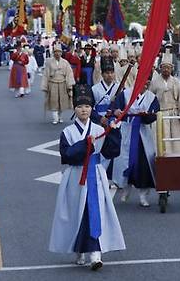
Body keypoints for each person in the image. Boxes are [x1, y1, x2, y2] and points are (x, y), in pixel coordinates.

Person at [48, 84, 125, 270]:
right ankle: (79, 251)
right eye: (80, 107)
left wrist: (114, 132)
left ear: (91, 109)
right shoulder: (67, 132)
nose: (84, 110)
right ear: (75, 109)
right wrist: (85, 144)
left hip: (95, 175)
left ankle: (95, 255)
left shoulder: (99, 130)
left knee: (94, 212)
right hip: (75, 177)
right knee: (77, 212)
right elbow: (67, 156)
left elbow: (110, 152)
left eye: (87, 107)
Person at [114, 79, 160, 206]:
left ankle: (143, 196)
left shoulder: (152, 97)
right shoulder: (125, 94)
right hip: (127, 131)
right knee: (125, 161)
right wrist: (117, 111)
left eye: (147, 82)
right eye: (142, 81)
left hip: (143, 134)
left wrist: (146, 116)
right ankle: (125, 188)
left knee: (144, 164)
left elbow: (154, 114)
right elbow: (116, 108)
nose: (144, 84)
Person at [148, 51, 180, 154]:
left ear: (172, 69)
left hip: (174, 115)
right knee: (161, 142)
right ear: (160, 68)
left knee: (176, 143)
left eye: (168, 67)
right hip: (160, 116)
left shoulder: (177, 82)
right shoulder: (154, 82)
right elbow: (149, 99)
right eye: (164, 67)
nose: (166, 69)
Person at [41, 43, 76, 124]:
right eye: (56, 52)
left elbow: (69, 73)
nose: (57, 53)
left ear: (61, 53)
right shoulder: (49, 62)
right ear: (53, 52)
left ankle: (60, 116)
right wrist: (45, 86)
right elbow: (46, 74)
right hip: (53, 83)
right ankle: (55, 117)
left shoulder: (65, 63)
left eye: (59, 52)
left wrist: (70, 84)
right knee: (54, 101)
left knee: (62, 101)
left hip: (62, 84)